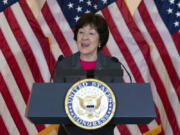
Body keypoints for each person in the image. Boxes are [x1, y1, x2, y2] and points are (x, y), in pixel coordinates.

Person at [54, 12, 123, 135]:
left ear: (100, 40)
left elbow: (117, 106)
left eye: (91, 33)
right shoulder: (63, 65)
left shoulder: (113, 66)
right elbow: (56, 103)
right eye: (81, 32)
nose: (84, 37)